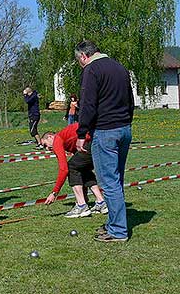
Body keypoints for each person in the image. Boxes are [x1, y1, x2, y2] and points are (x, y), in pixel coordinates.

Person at [75, 40, 134, 242]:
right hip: (124, 128)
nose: (81, 64)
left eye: (79, 61)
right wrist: (126, 122)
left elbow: (87, 104)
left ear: (84, 56)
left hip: (105, 131)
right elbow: (130, 100)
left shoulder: (91, 70)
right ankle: (113, 224)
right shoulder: (120, 67)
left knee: (109, 183)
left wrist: (81, 133)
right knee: (116, 180)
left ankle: (118, 230)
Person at [42, 123, 107, 218]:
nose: (47, 149)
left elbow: (64, 169)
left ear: (50, 137)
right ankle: (101, 202)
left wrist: (54, 192)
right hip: (102, 140)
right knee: (82, 168)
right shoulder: (68, 142)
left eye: (45, 145)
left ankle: (81, 206)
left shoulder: (57, 139)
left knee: (71, 167)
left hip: (95, 139)